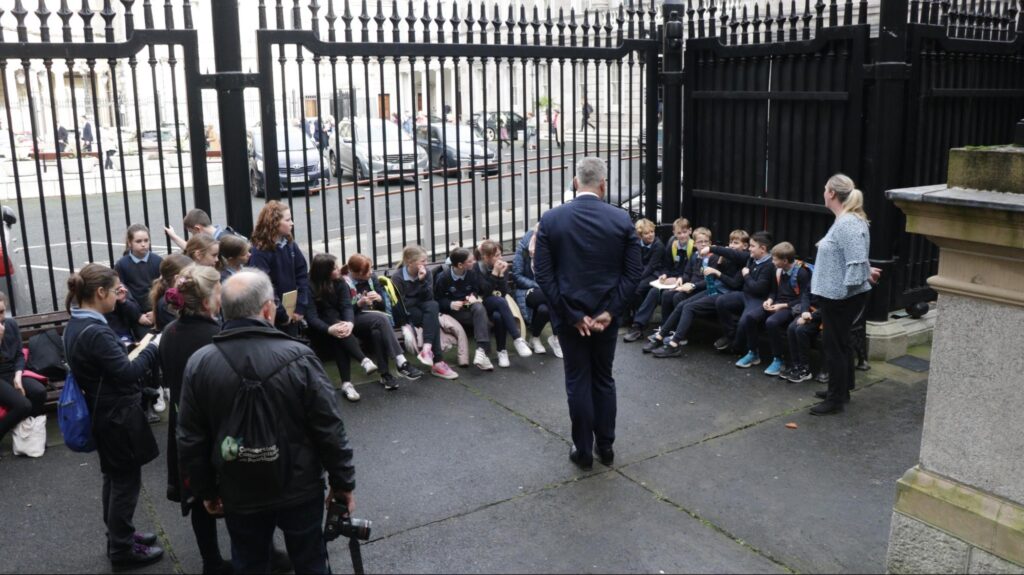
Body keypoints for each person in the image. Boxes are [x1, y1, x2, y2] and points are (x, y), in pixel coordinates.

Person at [177, 270, 356, 575]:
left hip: (237, 484)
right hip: (299, 483)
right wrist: (343, 483)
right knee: (311, 561)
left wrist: (206, 490)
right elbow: (328, 427)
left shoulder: (201, 363)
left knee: (248, 561)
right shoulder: (300, 357)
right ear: (267, 309)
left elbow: (191, 438)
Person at [534, 157, 642, 470]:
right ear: (603, 185)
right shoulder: (621, 219)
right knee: (603, 379)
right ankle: (605, 447)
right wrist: (610, 312)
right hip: (605, 318)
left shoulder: (552, 219)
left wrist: (571, 314)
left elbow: (544, 275)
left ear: (574, 182)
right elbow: (633, 274)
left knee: (578, 380)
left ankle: (583, 451)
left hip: (571, 319)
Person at [63, 264, 164, 570]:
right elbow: (127, 372)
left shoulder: (77, 324)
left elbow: (107, 366)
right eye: (117, 291)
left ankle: (119, 536)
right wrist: (153, 346)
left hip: (103, 411)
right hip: (116, 415)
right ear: (100, 292)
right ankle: (121, 549)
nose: (121, 296)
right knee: (125, 482)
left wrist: (127, 349)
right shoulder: (95, 330)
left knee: (114, 477)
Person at [156, 265, 231, 574]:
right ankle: (257, 552)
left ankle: (211, 561)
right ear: (207, 300)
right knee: (232, 492)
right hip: (216, 424)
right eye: (218, 291)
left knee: (200, 492)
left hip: (183, 422)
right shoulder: (217, 336)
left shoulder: (169, 333)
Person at [809, 174, 876, 415]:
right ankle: (842, 389)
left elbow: (856, 261)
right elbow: (854, 258)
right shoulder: (846, 220)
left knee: (833, 346)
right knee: (841, 342)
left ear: (832, 194)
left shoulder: (847, 222)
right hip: (838, 294)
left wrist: (847, 289)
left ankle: (835, 400)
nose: (823, 192)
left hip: (840, 296)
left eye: (825, 189)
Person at [647, 230, 748, 357]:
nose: (732, 245)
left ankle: (674, 344)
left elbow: (734, 284)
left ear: (745, 246)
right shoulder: (726, 256)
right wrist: (721, 263)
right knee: (682, 304)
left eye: (736, 243)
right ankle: (660, 337)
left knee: (689, 307)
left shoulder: (746, 259)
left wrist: (718, 272)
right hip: (715, 290)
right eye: (731, 242)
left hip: (725, 295)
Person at [343, 254, 424, 389]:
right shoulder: (344, 283)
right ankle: (401, 361)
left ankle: (385, 375)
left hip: (375, 320)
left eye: (371, 269)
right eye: (368, 271)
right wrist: (359, 304)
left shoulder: (372, 278)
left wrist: (379, 299)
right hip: (353, 321)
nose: (371, 273)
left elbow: (382, 308)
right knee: (381, 319)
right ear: (357, 274)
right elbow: (344, 311)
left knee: (377, 332)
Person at [307, 253, 378, 402]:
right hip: (319, 329)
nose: (339, 270)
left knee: (339, 335)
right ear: (324, 271)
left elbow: (346, 306)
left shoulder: (340, 283)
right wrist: (328, 329)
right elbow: (312, 317)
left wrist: (350, 323)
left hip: (339, 326)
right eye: (334, 268)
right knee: (336, 326)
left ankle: (347, 383)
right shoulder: (309, 286)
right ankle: (362, 361)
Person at [391, 244, 460, 379]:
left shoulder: (426, 273)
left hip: (423, 307)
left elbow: (429, 297)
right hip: (407, 313)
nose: (426, 264)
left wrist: (422, 281)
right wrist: (417, 298)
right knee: (432, 317)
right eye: (423, 261)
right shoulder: (398, 278)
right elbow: (402, 304)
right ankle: (438, 362)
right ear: (410, 262)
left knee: (433, 306)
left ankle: (427, 349)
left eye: (426, 260)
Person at [624, 217, 694, 342]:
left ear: (690, 231)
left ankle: (666, 330)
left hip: (684, 281)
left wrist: (679, 278)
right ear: (674, 233)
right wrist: (665, 275)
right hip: (672, 279)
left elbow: (691, 271)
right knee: (654, 291)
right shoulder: (673, 244)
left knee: (666, 295)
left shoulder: (692, 248)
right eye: (679, 233)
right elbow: (667, 266)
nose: (682, 235)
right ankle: (638, 326)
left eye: (684, 232)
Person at [714, 231, 777, 368]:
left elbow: (758, 289)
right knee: (721, 301)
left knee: (746, 319)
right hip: (745, 295)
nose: (749, 248)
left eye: (753, 246)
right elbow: (733, 254)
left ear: (763, 249)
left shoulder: (769, 266)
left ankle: (751, 353)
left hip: (759, 299)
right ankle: (731, 336)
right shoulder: (752, 258)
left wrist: (747, 275)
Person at [248, 201, 310, 337]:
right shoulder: (260, 252)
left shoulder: (289, 244)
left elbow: (302, 274)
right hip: (274, 316)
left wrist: (300, 306)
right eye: (287, 220)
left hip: (292, 311)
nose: (292, 223)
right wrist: (282, 314)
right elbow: (264, 286)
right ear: (274, 223)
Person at [435, 247, 497, 371]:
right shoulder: (443, 278)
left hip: (467, 306)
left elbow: (477, 290)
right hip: (453, 312)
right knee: (487, 323)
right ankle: (483, 355)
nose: (473, 263)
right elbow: (437, 301)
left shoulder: (472, 273)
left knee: (478, 306)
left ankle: (480, 351)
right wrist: (450, 304)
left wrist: (473, 296)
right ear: (460, 265)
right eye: (470, 261)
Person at [475, 239, 534, 367]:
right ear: (486, 257)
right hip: (482, 303)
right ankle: (517, 339)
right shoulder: (477, 268)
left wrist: (501, 276)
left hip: (499, 304)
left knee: (498, 315)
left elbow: (503, 292)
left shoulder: (502, 266)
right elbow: (485, 292)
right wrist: (495, 274)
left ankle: (502, 351)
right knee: (499, 302)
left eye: (500, 254)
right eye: (497, 255)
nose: (500, 258)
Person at [0, 292, 47, 445]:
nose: (0, 317)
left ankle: (28, 435)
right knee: (23, 405)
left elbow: (20, 355)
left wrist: (18, 376)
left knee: (38, 392)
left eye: (1, 312)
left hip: (13, 372)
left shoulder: (11, 324)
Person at [760, 242, 812, 377]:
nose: (772, 262)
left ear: (784, 261)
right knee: (754, 315)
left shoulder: (801, 273)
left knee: (771, 322)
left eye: (775, 259)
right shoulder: (778, 270)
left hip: (793, 307)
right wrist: (770, 300)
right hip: (778, 304)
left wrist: (783, 306)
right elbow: (773, 291)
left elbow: (803, 298)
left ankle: (778, 358)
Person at [512, 224, 563, 358]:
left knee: (544, 310)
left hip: (546, 292)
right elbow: (517, 276)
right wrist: (538, 285)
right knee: (554, 297)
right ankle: (556, 337)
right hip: (528, 290)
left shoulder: (552, 249)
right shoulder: (524, 249)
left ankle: (534, 338)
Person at [115, 224, 162, 328]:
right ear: (129, 243)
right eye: (138, 241)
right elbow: (123, 294)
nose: (143, 244)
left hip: (157, 312)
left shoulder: (158, 261)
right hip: (135, 315)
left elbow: (163, 290)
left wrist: (156, 313)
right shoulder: (122, 265)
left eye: (146, 240)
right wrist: (138, 316)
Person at [627, 218, 665, 324]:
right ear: (640, 235)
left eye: (652, 232)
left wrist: (637, 278)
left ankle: (638, 315)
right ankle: (627, 316)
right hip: (641, 271)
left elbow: (651, 267)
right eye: (646, 233)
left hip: (655, 273)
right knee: (628, 285)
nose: (650, 235)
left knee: (637, 289)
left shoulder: (658, 246)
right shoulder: (637, 243)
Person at [165, 208, 244, 251]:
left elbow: (192, 251)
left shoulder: (220, 243)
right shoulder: (226, 233)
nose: (192, 236)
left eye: (192, 232)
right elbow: (191, 250)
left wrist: (173, 236)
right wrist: (173, 236)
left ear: (198, 229)